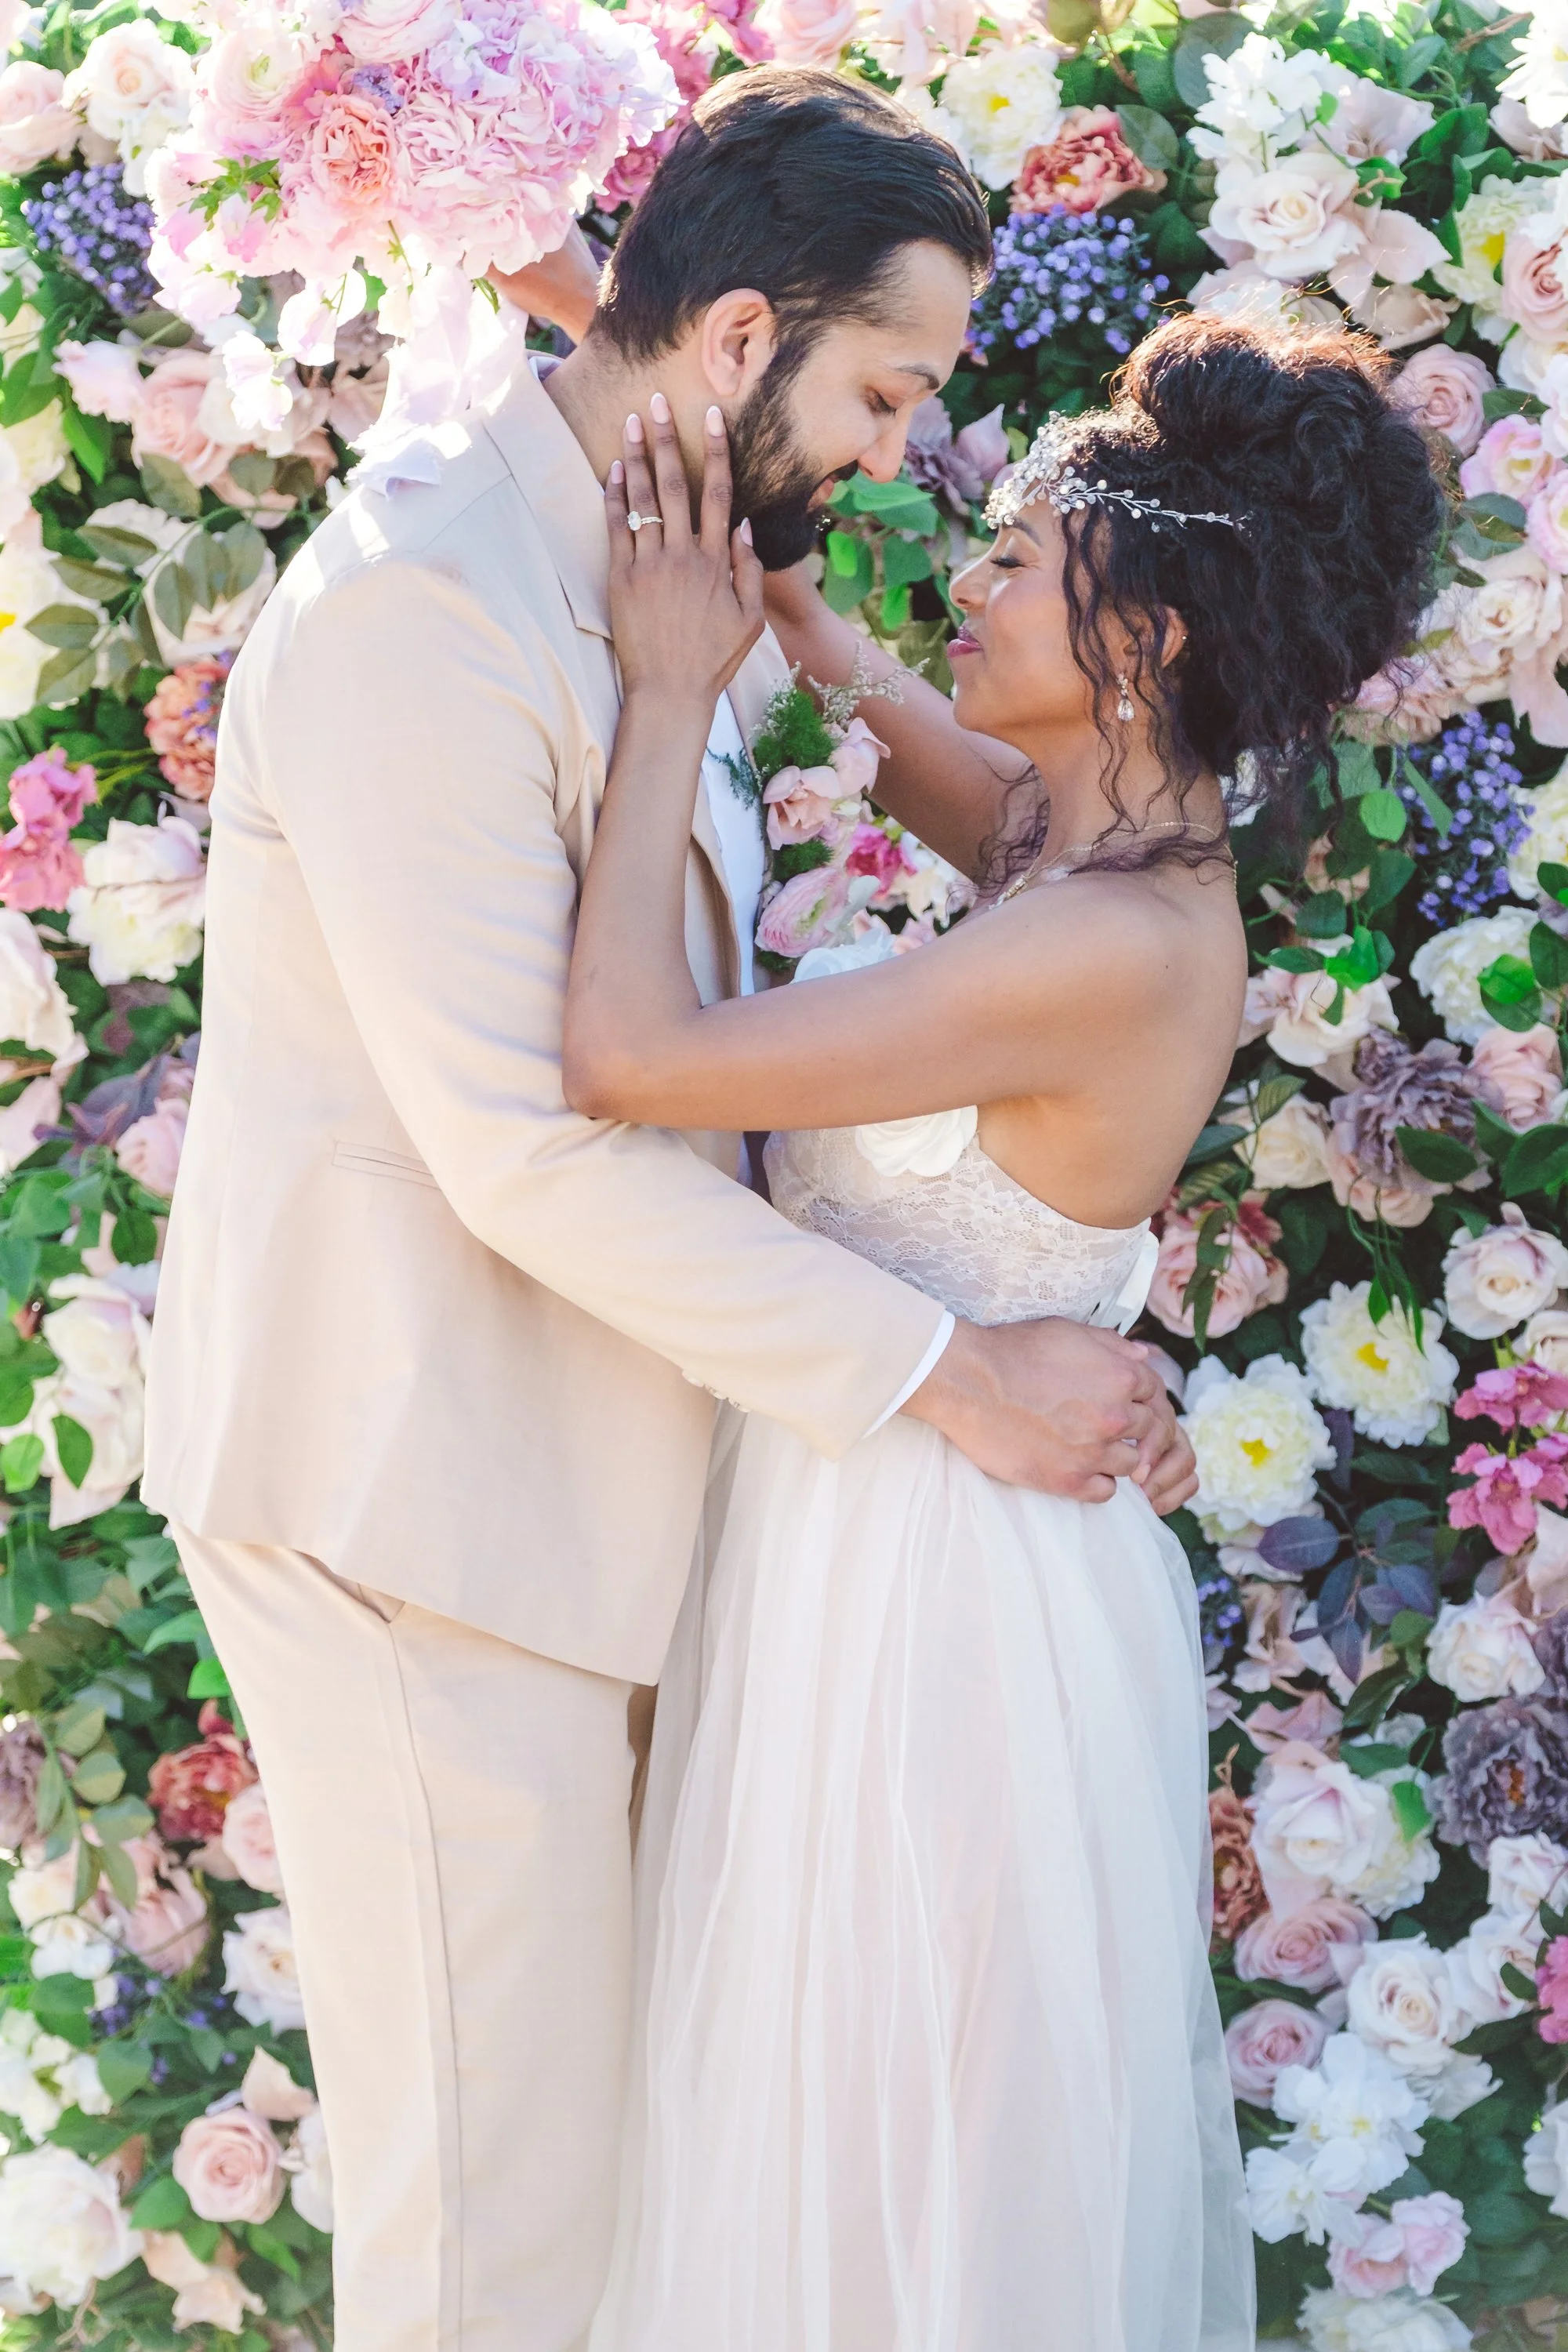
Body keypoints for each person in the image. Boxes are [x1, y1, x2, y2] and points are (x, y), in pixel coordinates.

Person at [142, 69, 1196, 2352]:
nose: (914, 451)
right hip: (422, 1503)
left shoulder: (651, 561)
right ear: (739, 342)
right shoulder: (437, 601)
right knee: (497, 2242)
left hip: (585, 1502)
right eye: (892, 386)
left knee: (603, 2217)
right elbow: (531, 1138)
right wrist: (954, 1376)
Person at [561, 310, 1445, 2351]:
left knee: (912, 2148)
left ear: (1139, 639)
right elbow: (850, 665)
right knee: (830, 2120)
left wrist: (668, 695)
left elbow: (625, 1051)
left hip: (939, 1602)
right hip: (900, 1528)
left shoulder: (1109, 948)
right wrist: (632, 349)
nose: (964, 582)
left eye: (1022, 561)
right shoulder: (1087, 845)